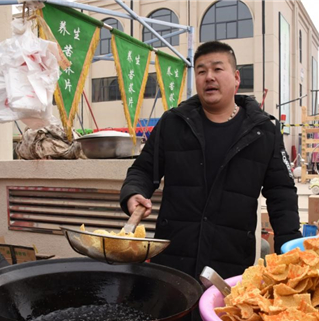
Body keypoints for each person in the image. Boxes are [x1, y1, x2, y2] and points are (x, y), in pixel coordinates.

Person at [120, 41, 302, 282]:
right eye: (201, 71)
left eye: (218, 69)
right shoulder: (173, 123)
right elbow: (143, 169)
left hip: (230, 263)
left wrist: (290, 255)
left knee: (220, 318)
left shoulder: (263, 132)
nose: (209, 77)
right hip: (174, 258)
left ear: (236, 78)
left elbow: (282, 196)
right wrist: (133, 193)